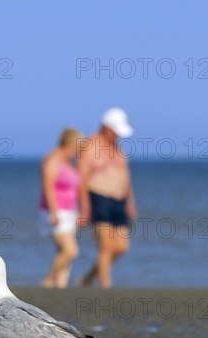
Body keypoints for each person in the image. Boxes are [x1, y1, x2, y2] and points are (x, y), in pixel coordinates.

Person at [78, 108, 137, 288]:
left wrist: (130, 201)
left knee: (122, 247)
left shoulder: (117, 147)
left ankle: (87, 278)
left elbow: (124, 176)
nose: (117, 135)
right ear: (106, 127)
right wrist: (85, 208)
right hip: (99, 198)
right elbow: (82, 179)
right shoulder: (91, 145)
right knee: (106, 247)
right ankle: (105, 286)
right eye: (115, 131)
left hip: (119, 201)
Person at [40, 128, 82, 288]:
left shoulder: (68, 162)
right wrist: (53, 212)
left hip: (69, 211)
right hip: (55, 211)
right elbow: (48, 187)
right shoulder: (52, 160)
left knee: (63, 252)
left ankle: (61, 286)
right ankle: (48, 281)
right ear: (70, 143)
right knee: (71, 250)